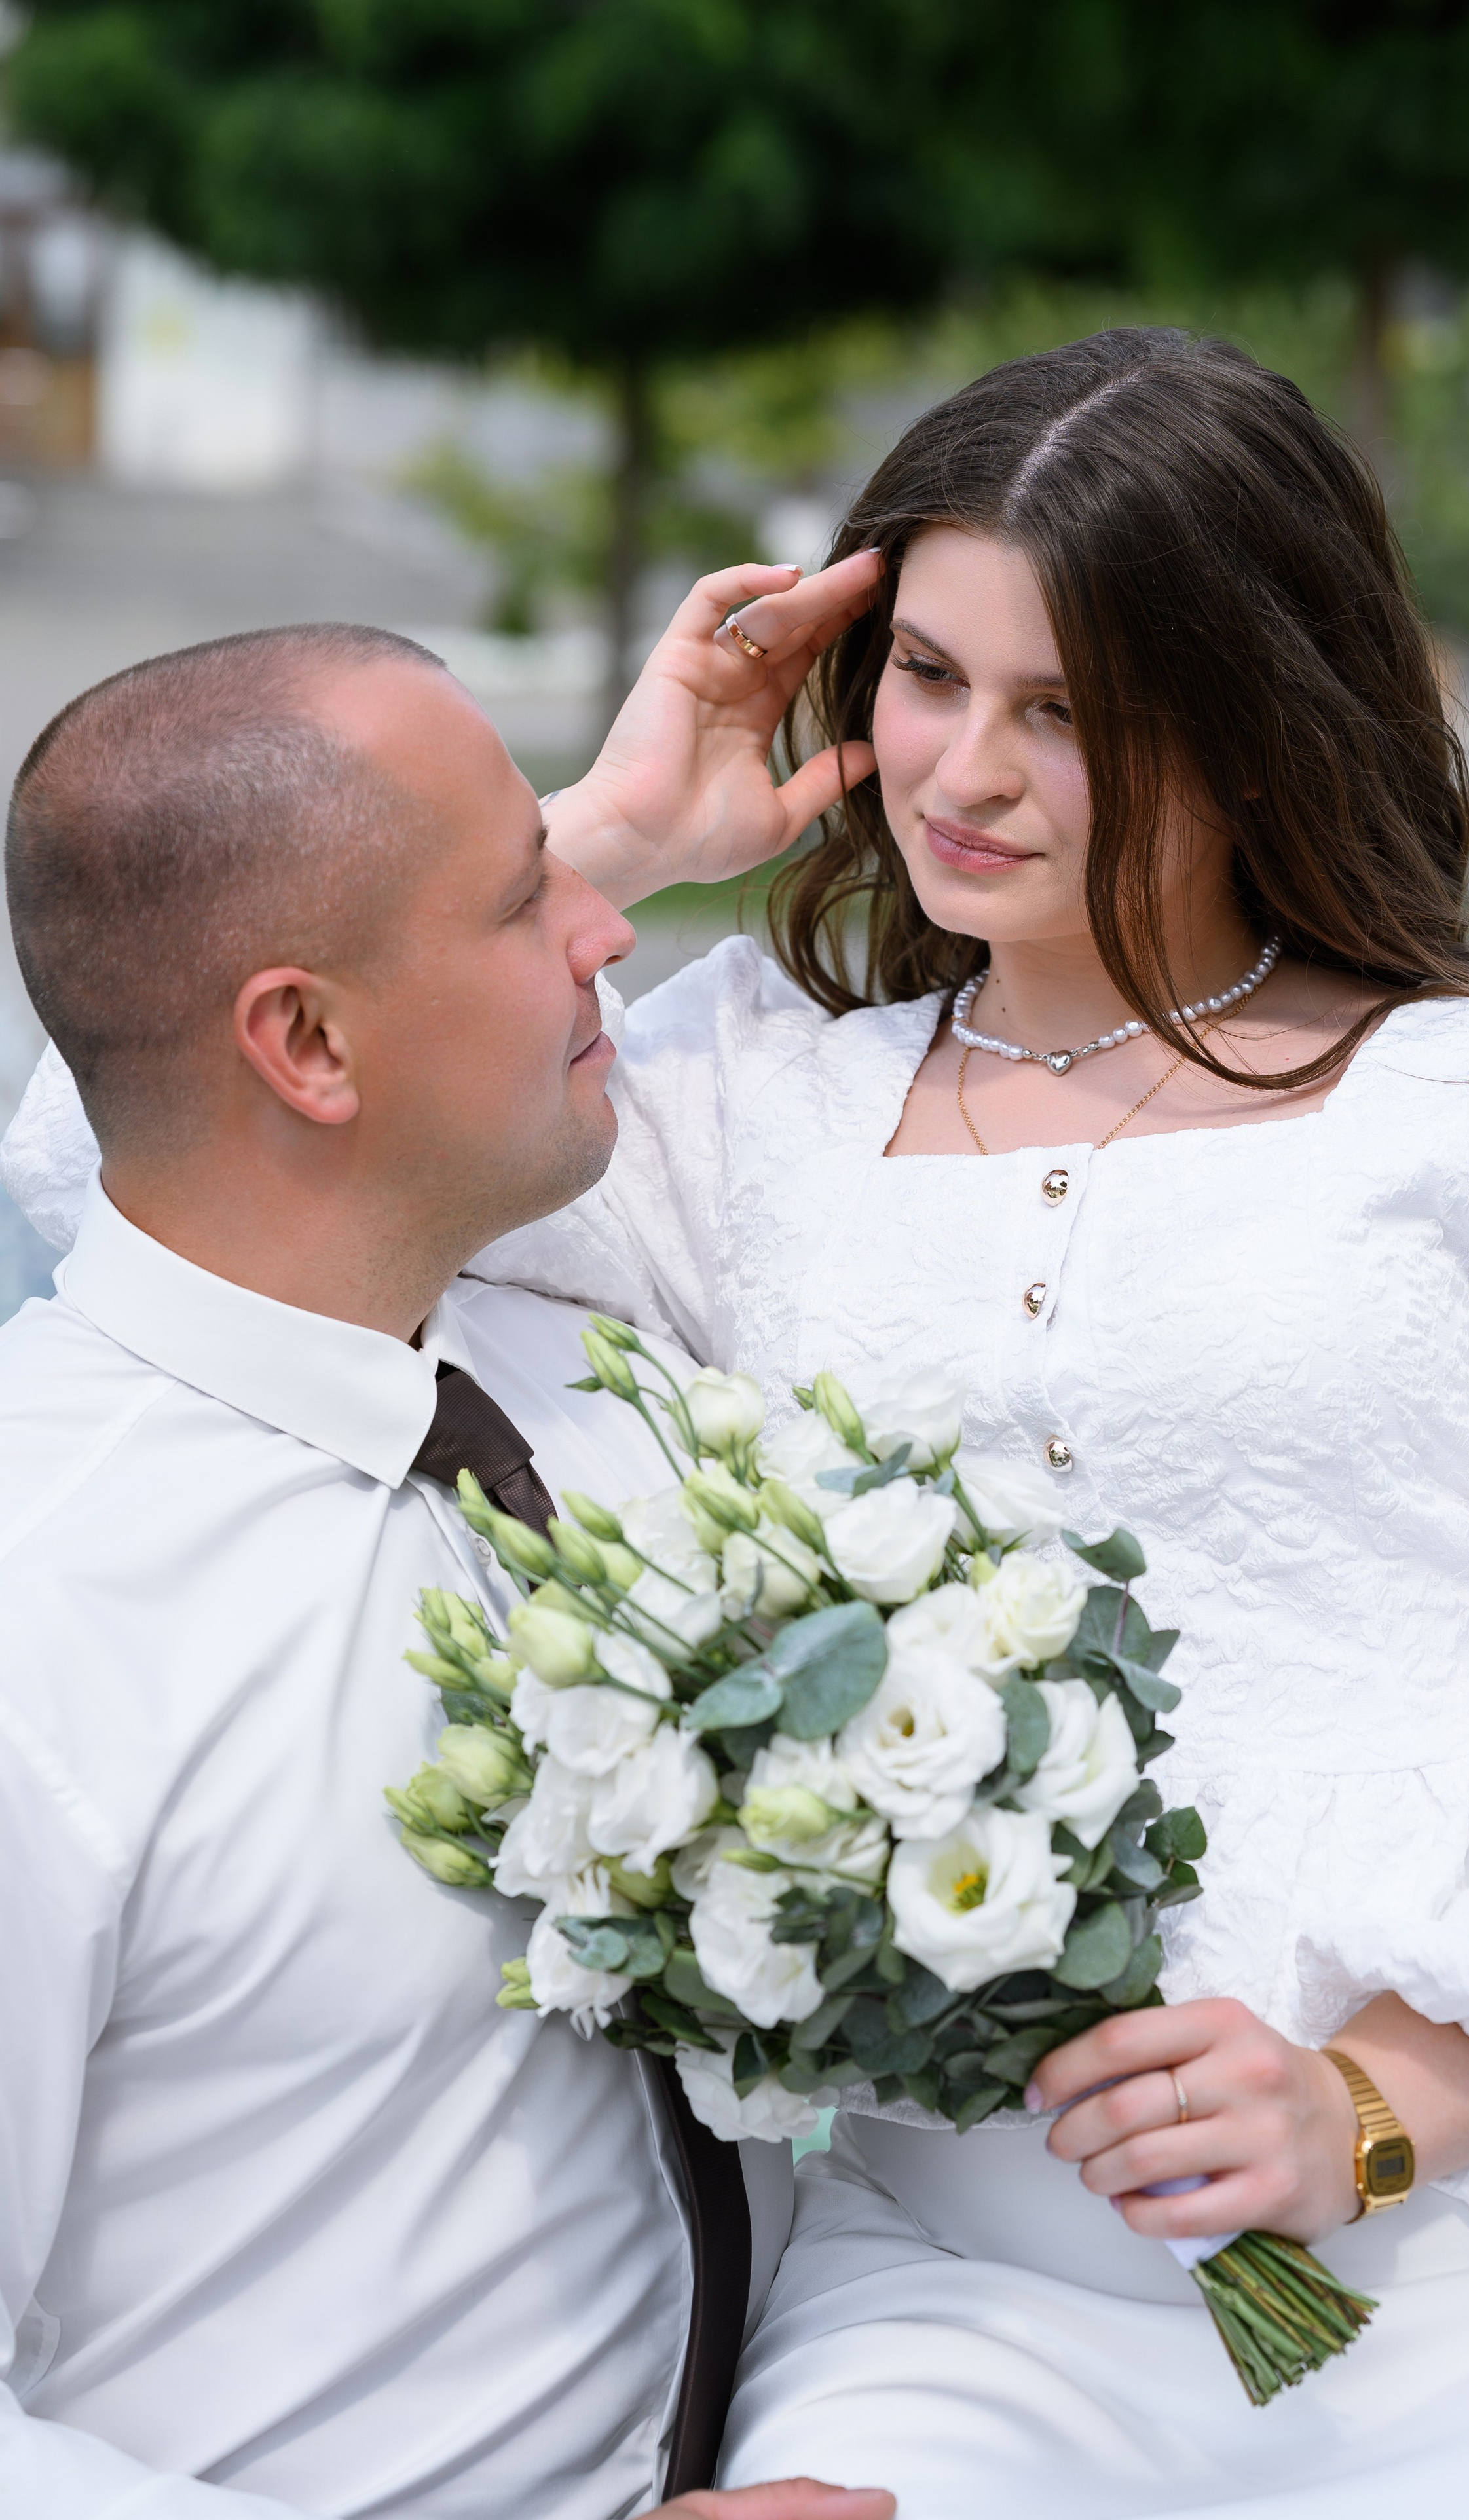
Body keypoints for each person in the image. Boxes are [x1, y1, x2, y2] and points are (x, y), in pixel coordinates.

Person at [451, 330, 1469, 2512]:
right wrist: (601, 836)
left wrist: (1384, 2103)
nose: (963, 773)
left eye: (1069, 712)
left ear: (1254, 715)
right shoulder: (745, 1105)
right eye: (925, 674)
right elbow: (174, 1152)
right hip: (946, 2293)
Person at [0, 620, 894, 2520]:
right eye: (530, 895)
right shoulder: (41, 1608)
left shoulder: (608, 1401)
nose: (610, 929)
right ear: (309, 1041)